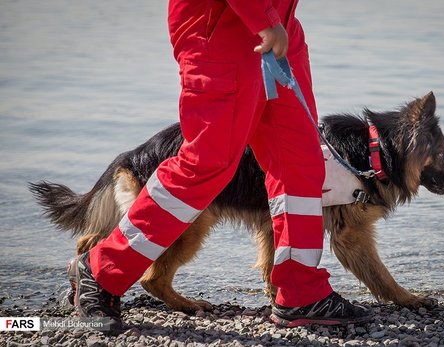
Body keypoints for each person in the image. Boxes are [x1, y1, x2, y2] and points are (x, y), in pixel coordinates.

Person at [69, 0, 373, 333]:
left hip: (280, 33)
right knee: (207, 165)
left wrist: (275, 23)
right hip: (223, 34)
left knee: (301, 165)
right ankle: (101, 270)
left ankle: (300, 292)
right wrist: (265, 20)